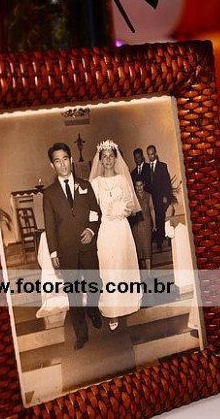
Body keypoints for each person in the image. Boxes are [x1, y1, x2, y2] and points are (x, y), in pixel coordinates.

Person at [43, 142, 103, 351]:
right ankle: (81, 333)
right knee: (74, 292)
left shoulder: (85, 185)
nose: (63, 164)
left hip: (87, 247)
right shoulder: (49, 194)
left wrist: (91, 230)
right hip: (66, 250)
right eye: (57, 161)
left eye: (65, 159)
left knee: (95, 283)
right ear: (52, 165)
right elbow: (50, 226)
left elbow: (96, 212)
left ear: (71, 160)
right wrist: (53, 252)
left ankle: (93, 309)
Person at [89, 140, 142, 331]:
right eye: (104, 157)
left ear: (115, 159)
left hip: (121, 229)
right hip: (105, 229)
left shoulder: (122, 180)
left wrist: (122, 211)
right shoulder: (95, 183)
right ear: (100, 160)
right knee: (108, 268)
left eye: (111, 156)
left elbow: (131, 204)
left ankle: (127, 303)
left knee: (123, 266)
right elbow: (92, 210)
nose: (108, 160)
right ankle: (112, 311)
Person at [146, 145, 174, 251]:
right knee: (153, 219)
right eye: (149, 155)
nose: (151, 156)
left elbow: (167, 183)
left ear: (155, 153)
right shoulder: (146, 168)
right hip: (151, 199)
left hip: (161, 198)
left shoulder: (162, 166)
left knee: (160, 219)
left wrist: (166, 196)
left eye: (152, 154)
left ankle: (160, 241)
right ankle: (156, 239)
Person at [131, 179, 156, 278]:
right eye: (137, 186)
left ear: (144, 185)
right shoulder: (133, 197)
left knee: (147, 248)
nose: (139, 188)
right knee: (139, 249)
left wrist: (154, 225)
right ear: (135, 186)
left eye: (141, 185)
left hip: (146, 225)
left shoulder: (148, 196)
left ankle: (149, 273)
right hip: (136, 225)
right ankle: (143, 273)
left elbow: (152, 209)